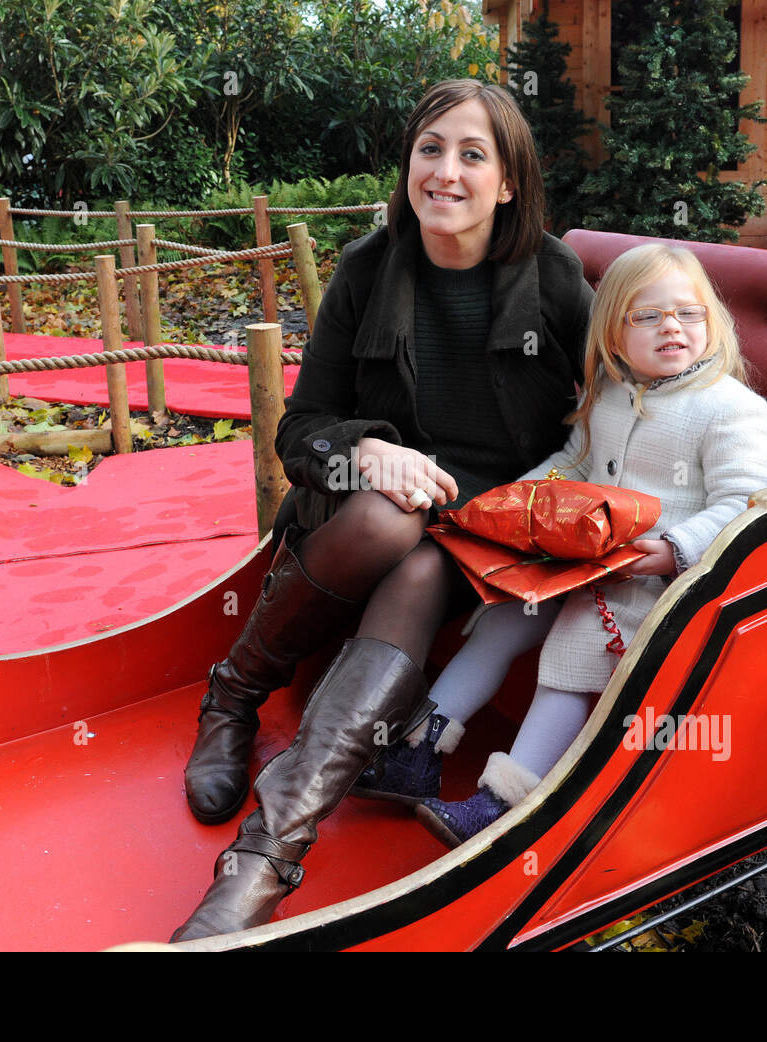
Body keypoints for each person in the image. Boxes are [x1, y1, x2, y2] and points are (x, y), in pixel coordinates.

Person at [171, 79, 595, 940]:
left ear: (508, 182)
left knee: (426, 551)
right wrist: (365, 448)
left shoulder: (552, 279)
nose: (446, 172)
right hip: (360, 521)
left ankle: (260, 859)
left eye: (473, 155)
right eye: (430, 149)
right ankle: (234, 699)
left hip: (484, 536)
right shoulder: (369, 268)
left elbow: (630, 391)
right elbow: (301, 430)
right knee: (389, 522)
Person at [353, 243, 767, 846]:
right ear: (612, 332)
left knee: (570, 657)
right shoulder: (611, 392)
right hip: (578, 559)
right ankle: (417, 751)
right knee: (500, 620)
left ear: (713, 321)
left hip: (654, 584)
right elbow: (573, 460)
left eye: (689, 313)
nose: (672, 328)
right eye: (647, 316)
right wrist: (516, 501)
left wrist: (673, 550)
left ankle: (507, 802)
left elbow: (745, 503)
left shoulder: (730, 409)